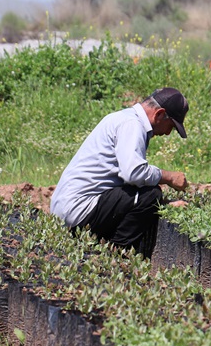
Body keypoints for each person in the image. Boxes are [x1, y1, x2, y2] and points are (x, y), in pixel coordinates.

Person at [50, 87, 190, 257]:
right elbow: (134, 173)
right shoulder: (132, 125)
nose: (167, 133)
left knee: (148, 195)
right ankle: (115, 254)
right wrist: (169, 177)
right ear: (159, 114)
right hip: (77, 211)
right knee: (150, 195)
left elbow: (124, 181)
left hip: (66, 210)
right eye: (171, 127)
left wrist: (164, 204)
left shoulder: (123, 118)